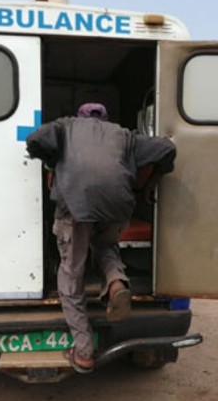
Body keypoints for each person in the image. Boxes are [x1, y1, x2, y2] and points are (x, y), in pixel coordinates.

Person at [26, 102, 176, 373]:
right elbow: (167, 148)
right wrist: (151, 183)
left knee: (72, 273)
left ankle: (83, 352)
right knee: (106, 244)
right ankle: (117, 283)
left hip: (75, 206)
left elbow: (35, 139)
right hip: (117, 205)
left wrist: (52, 162)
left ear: (80, 117)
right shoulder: (124, 135)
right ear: (105, 119)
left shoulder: (64, 127)